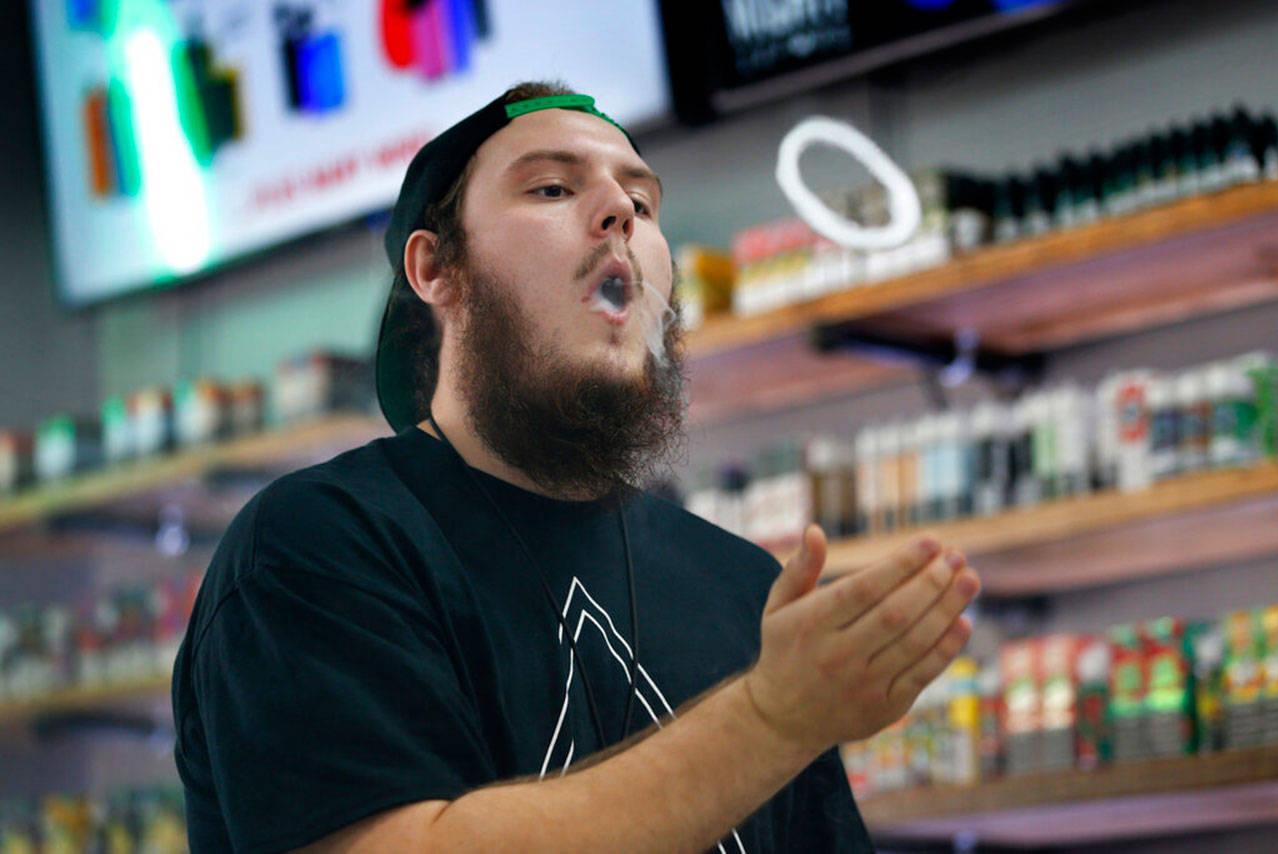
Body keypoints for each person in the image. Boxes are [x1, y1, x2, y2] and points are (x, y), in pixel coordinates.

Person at [171, 81, 980, 853]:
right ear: (435, 270)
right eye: (552, 189)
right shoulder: (324, 545)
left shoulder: (740, 585)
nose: (619, 212)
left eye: (644, 201)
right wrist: (767, 722)